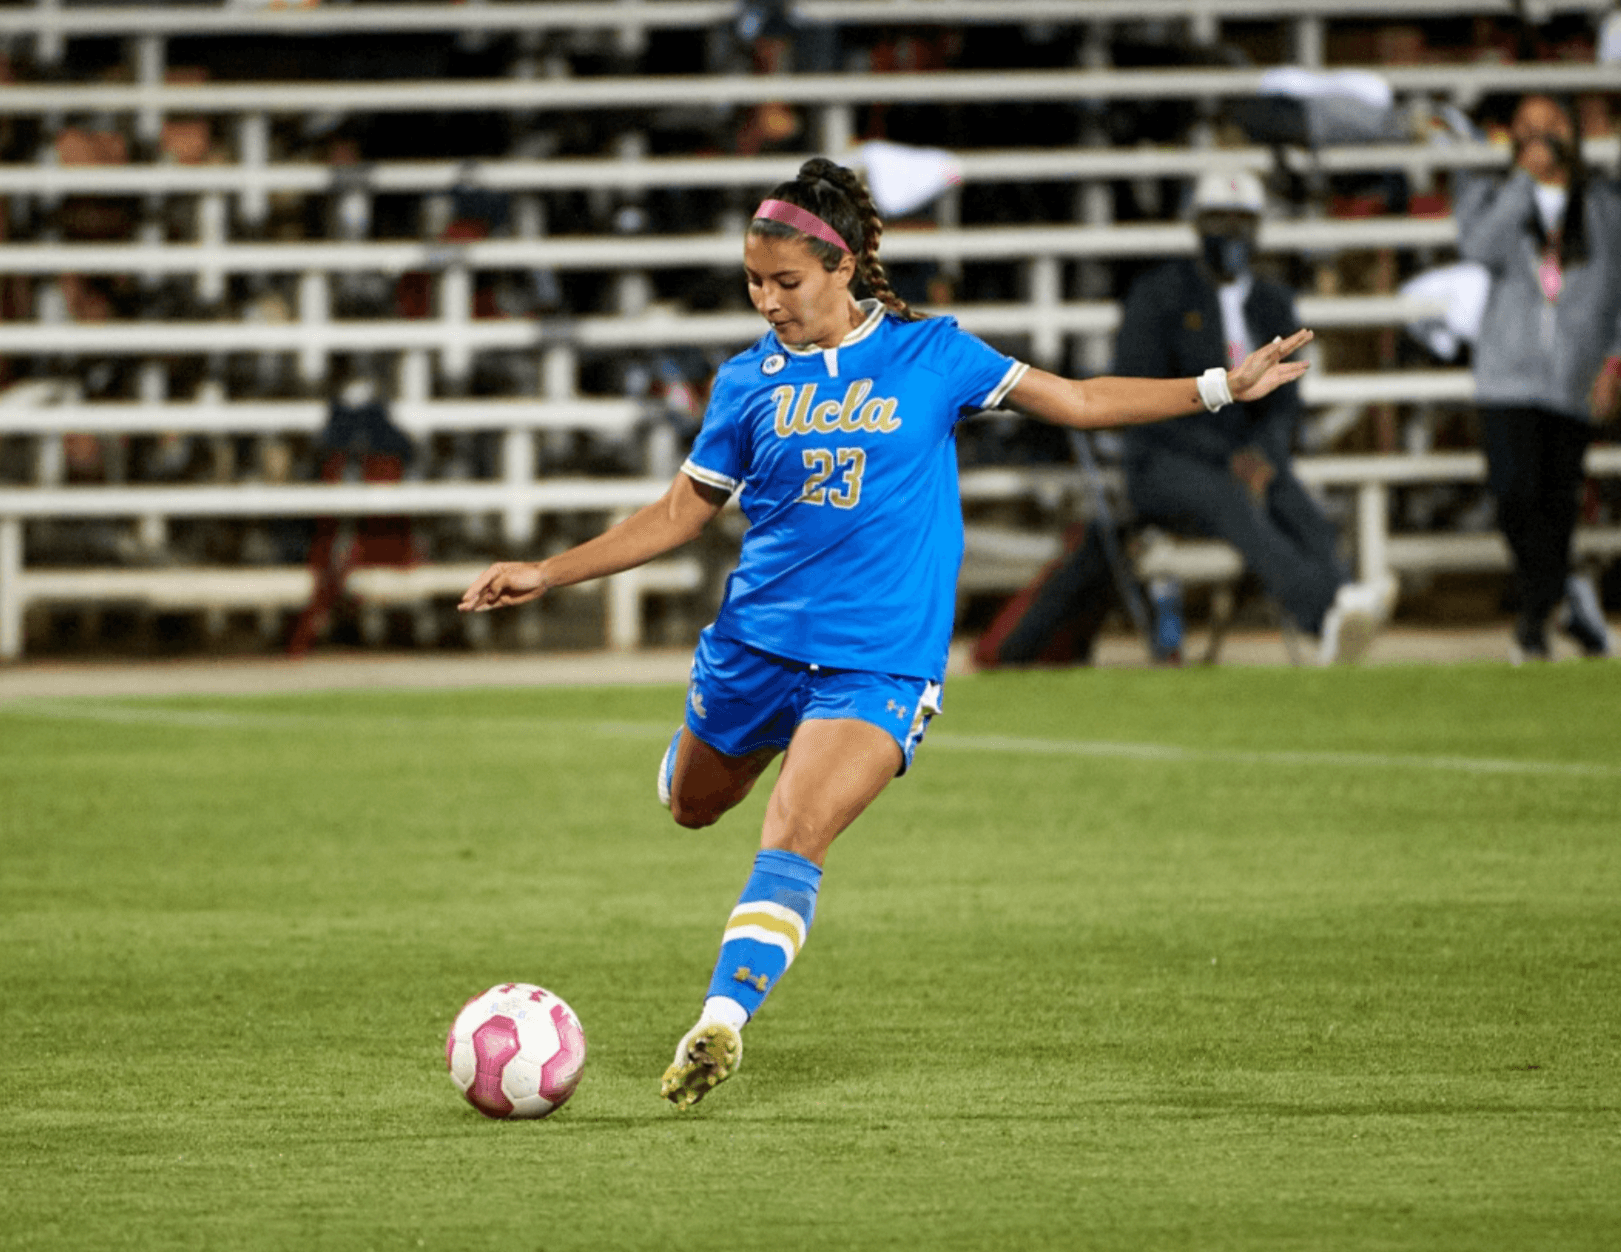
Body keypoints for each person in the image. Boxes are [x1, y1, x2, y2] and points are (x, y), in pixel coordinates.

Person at [458, 158, 1314, 1109]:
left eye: (786, 282)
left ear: (845, 267)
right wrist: (547, 569)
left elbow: (1075, 400)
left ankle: (721, 1021)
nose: (768, 301)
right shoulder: (746, 384)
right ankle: (697, 760)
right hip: (755, 646)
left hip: (879, 662)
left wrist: (1220, 388)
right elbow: (676, 515)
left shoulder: (932, 354)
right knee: (695, 806)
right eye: (754, 282)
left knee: (796, 830)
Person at [1114, 170, 1395, 665]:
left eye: (1243, 220)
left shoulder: (1271, 302)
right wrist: (1231, 458)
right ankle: (1327, 611)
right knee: (1232, 499)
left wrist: (1262, 453)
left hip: (1245, 457)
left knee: (1292, 497)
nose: (1232, 233)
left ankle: (1341, 601)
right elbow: (1141, 401)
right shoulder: (1159, 296)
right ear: (1199, 224)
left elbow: (1286, 403)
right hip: (1166, 460)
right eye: (1220, 219)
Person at [1455, 94, 1620, 661]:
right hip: (1507, 373)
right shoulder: (1488, 192)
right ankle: (1562, 598)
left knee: (1557, 502)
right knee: (1513, 497)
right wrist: (1522, 185)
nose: (1540, 141)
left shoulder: (1603, 203)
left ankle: (1534, 621)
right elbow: (1480, 247)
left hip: (1573, 374)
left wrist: (1614, 363)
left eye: (1551, 129)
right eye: (1526, 131)